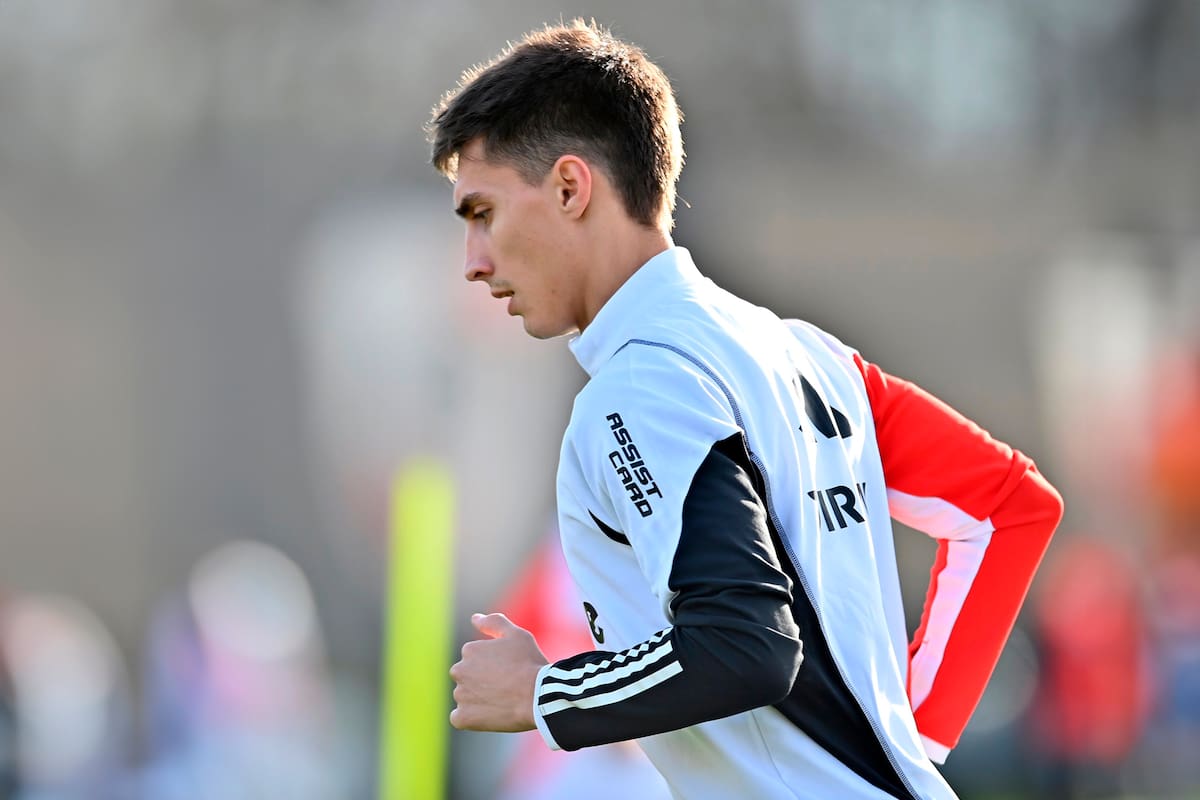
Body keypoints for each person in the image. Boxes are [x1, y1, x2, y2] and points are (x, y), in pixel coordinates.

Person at [429, 20, 1063, 800]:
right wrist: (904, 745)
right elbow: (1007, 504)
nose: (474, 262)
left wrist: (544, 694)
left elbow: (745, 644)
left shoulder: (641, 386)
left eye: (482, 213)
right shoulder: (803, 353)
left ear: (570, 187)